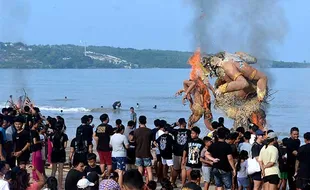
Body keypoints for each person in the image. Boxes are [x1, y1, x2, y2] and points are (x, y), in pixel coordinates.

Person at [201, 51, 268, 129]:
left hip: (255, 90)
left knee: (223, 101)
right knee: (243, 115)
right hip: (250, 92)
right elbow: (253, 60)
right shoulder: (231, 59)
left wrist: (222, 89)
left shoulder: (227, 66)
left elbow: (243, 83)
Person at [171, 118, 191, 187]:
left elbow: (167, 128)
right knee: (183, 169)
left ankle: (173, 183)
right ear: (184, 123)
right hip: (185, 152)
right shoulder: (189, 132)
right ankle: (183, 185)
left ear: (179, 124)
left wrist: (175, 124)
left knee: (175, 169)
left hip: (176, 152)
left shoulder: (175, 131)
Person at [133, 115, 153, 181]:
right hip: (146, 153)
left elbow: (134, 141)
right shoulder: (149, 131)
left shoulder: (136, 131)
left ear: (139, 122)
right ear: (146, 121)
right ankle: (151, 186)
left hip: (138, 153)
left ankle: (139, 185)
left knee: (139, 170)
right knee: (149, 170)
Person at [51, 122, 68, 189]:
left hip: (54, 152)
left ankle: (52, 185)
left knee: (53, 170)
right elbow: (65, 146)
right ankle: (60, 186)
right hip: (61, 153)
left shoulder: (52, 135)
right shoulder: (64, 136)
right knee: (60, 170)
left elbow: (52, 145)